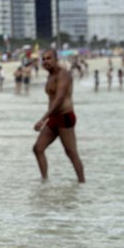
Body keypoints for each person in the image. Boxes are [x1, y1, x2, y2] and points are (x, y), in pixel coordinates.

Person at [33, 49, 85, 183]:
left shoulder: (64, 75)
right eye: (43, 59)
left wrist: (43, 119)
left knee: (71, 152)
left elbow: (59, 98)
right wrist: (48, 118)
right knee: (38, 148)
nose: (45, 61)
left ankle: (82, 183)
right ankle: (44, 182)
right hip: (54, 118)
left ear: (56, 59)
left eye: (49, 58)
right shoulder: (49, 76)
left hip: (65, 117)